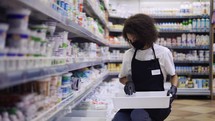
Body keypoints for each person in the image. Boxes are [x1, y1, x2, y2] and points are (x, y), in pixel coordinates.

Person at [112, 14, 178, 121]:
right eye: (130, 40)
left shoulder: (163, 53)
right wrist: (128, 82)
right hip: (135, 100)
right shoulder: (129, 54)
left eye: (135, 38)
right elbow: (122, 77)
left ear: (146, 34)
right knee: (119, 119)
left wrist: (174, 88)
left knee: (138, 116)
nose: (133, 42)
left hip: (156, 102)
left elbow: (174, 75)